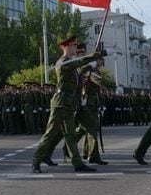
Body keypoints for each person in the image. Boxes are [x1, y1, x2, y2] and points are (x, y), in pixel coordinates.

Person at [32, 37, 103, 173]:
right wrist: (98, 55)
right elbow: (79, 62)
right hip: (60, 103)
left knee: (70, 135)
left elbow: (77, 81)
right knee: (50, 134)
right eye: (73, 46)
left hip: (69, 104)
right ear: (65, 48)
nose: (75, 48)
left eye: (76, 46)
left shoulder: (71, 63)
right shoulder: (63, 62)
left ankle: (77, 164)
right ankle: (36, 160)